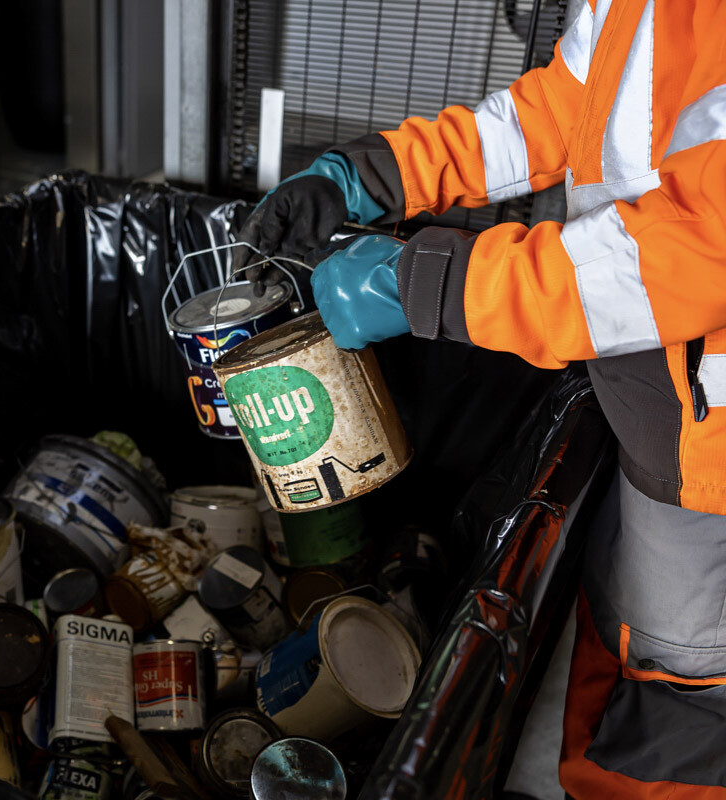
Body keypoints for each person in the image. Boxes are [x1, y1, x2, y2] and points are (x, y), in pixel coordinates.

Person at [231, 1, 726, 796]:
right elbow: (562, 109)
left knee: (676, 711)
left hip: (710, 464)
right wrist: (372, 175)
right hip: (657, 414)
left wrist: (429, 281)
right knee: (631, 649)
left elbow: (694, 245)